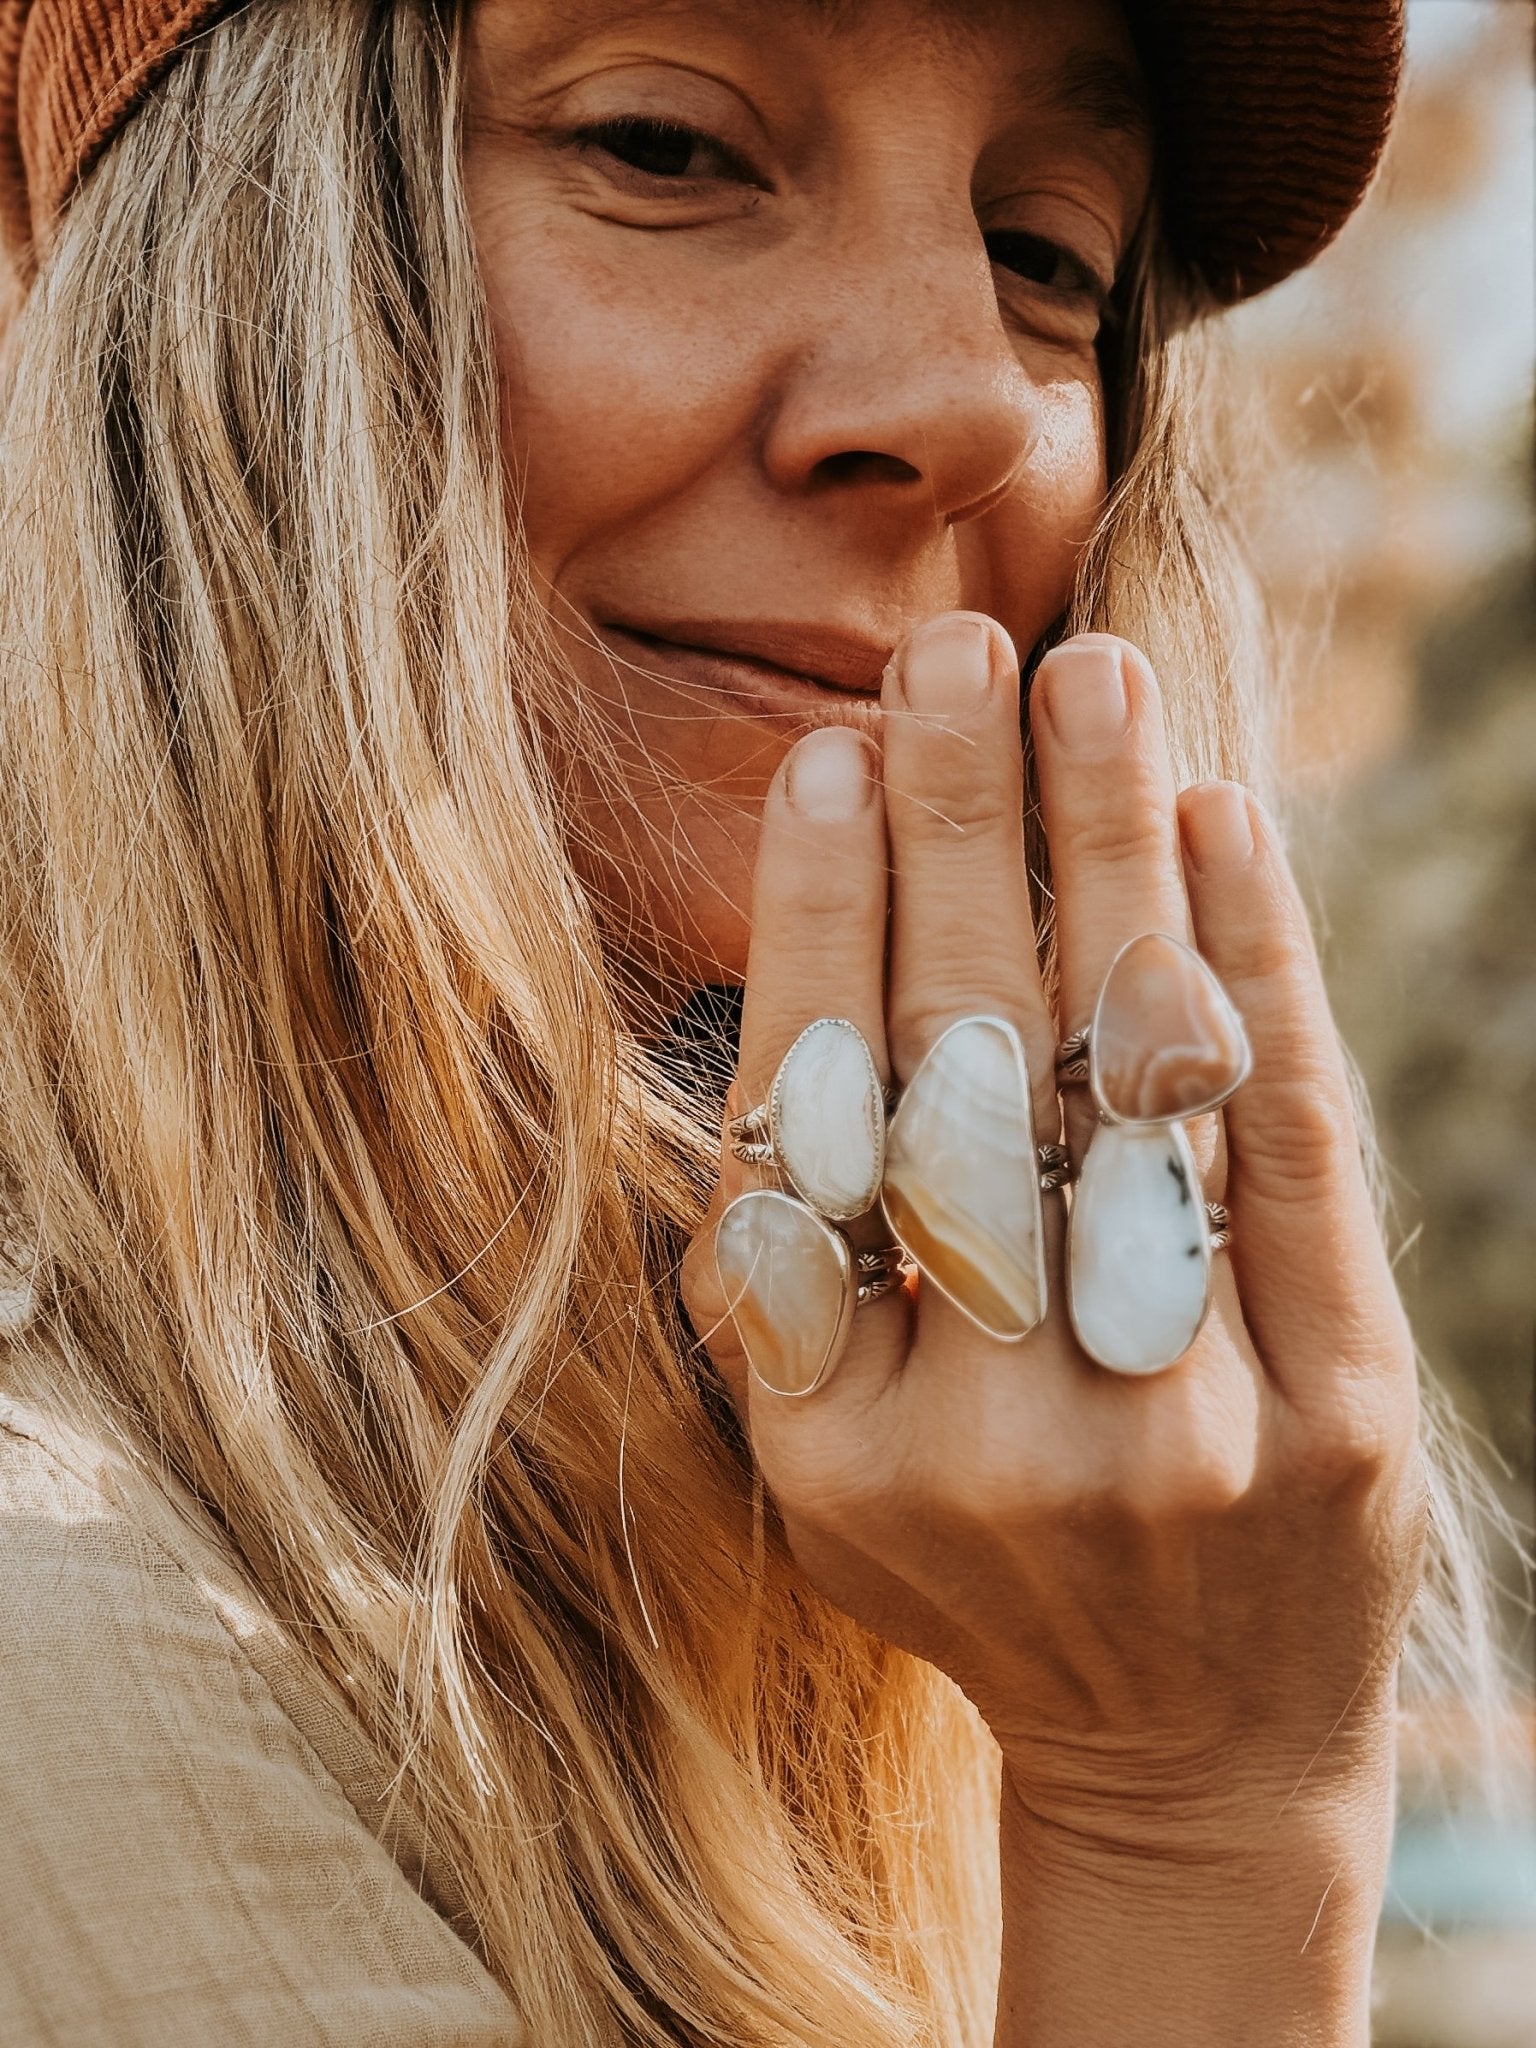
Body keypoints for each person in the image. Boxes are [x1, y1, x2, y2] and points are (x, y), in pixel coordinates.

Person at [0, 0, 1499, 2042]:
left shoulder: (869, 1553)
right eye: (667, 147)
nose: (970, 399)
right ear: (187, 310)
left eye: (1044, 252)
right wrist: (1192, 1815)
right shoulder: (65, 1630)